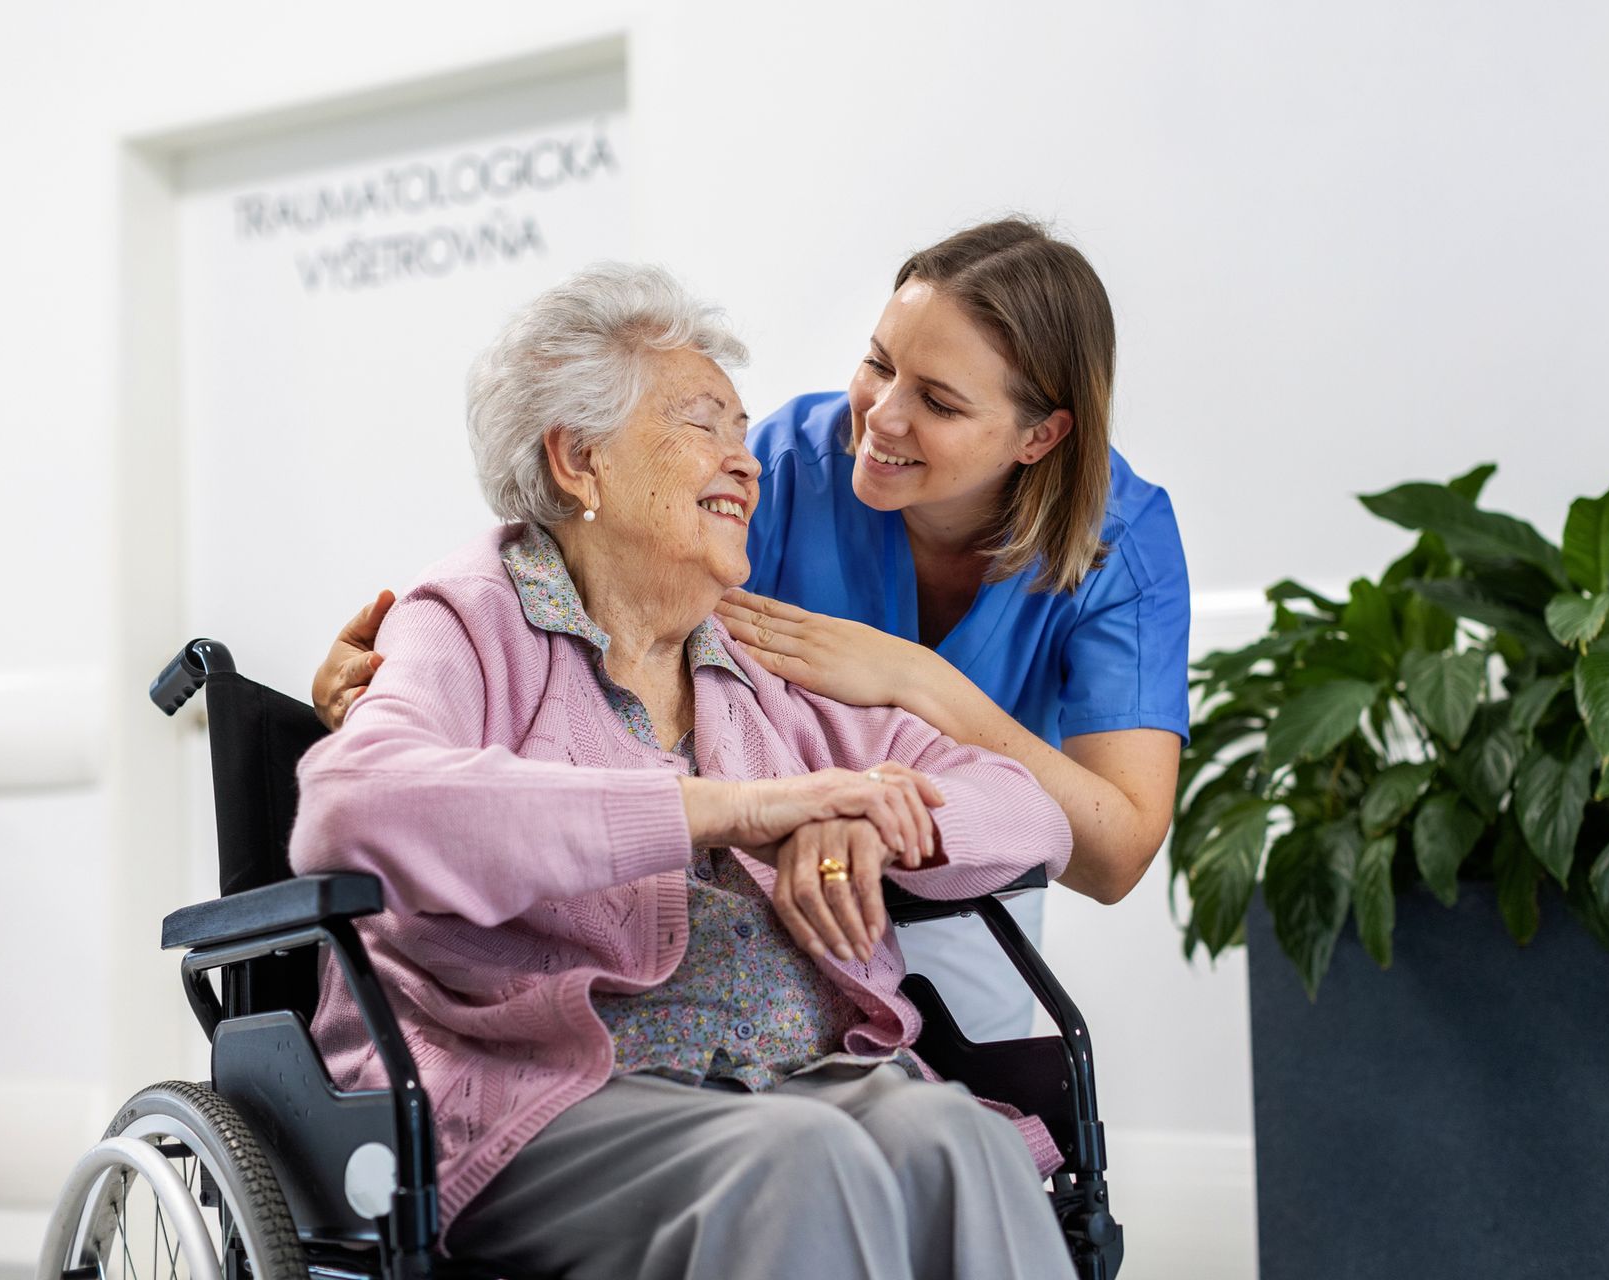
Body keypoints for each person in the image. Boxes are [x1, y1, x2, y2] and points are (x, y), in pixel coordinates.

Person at [290, 263, 1076, 1280]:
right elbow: (354, 805)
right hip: (552, 1091)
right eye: (703, 424)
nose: (743, 464)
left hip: (800, 1076)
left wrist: (868, 821)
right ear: (578, 459)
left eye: (744, 432)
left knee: (958, 1137)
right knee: (803, 1157)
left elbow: (1030, 809)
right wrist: (737, 808)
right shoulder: (472, 616)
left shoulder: (749, 659)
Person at [315, 218, 1190, 1041]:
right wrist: (410, 670)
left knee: (957, 1125)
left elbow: (1104, 849)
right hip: (716, 908)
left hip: (927, 869)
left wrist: (912, 698)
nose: (880, 418)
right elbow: (589, 585)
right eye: (878, 364)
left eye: (940, 402)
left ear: (1038, 437)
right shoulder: (784, 469)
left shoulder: (1125, 546)